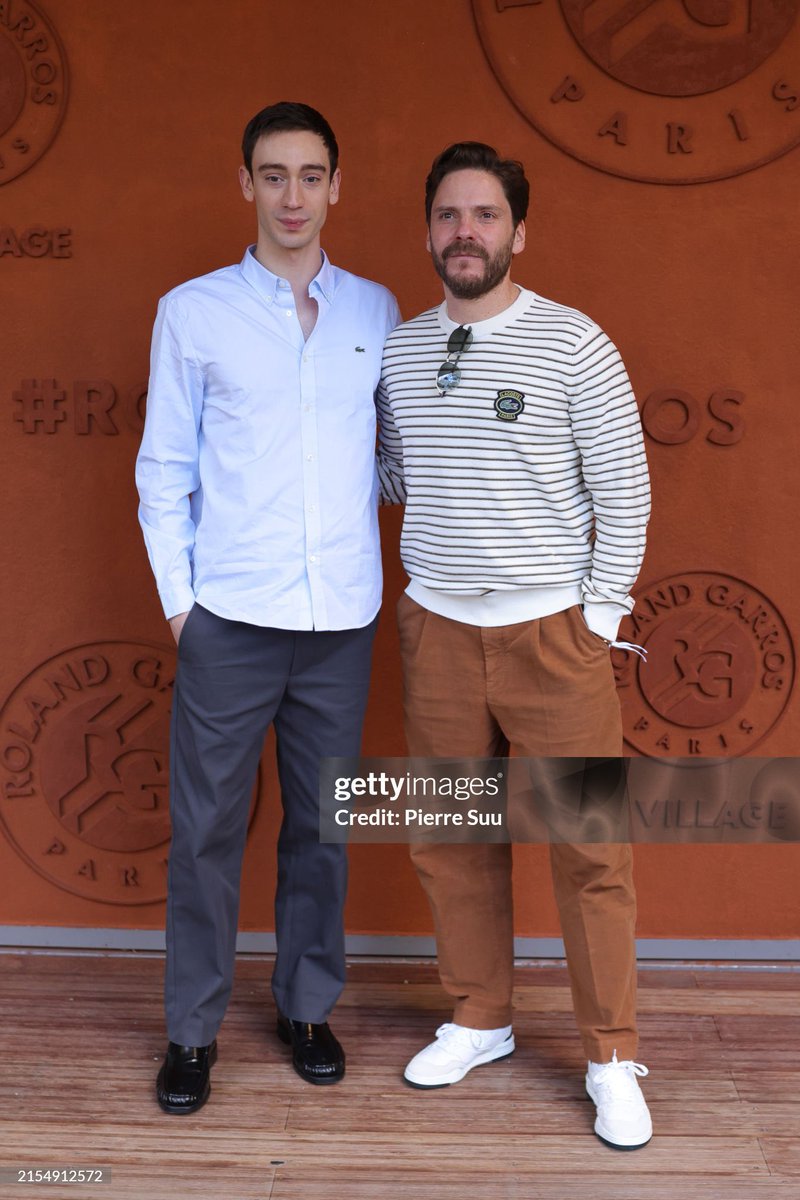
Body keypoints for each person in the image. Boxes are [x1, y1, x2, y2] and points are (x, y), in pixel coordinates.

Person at [376, 142, 652, 1149]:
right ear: (427, 231)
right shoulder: (403, 350)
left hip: (553, 636)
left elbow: (623, 487)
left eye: (484, 215)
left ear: (517, 232)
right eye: (448, 214)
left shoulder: (574, 343)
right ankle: (479, 1018)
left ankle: (610, 1054)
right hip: (439, 628)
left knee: (588, 849)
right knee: (449, 837)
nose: (465, 232)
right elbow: (398, 475)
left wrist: (597, 618)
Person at [136, 101, 400, 1114]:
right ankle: (191, 1032)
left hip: (339, 621)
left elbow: (387, 461)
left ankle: (305, 1006)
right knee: (205, 834)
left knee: (323, 830)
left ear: (338, 186)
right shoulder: (191, 311)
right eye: (273, 174)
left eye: (311, 174)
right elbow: (162, 471)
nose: (293, 194)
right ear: (243, 184)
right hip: (228, 623)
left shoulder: (376, 312)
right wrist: (180, 611)